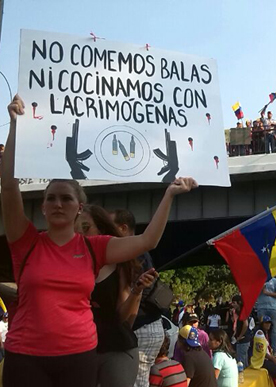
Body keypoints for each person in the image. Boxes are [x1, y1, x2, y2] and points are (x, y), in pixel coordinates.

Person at [0, 95, 197, 387]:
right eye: (50, 198)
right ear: (42, 206)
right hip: (25, 356)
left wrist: (169, 194)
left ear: (79, 207)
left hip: (79, 357)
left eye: (66, 198)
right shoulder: (25, 241)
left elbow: (147, 241)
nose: (57, 203)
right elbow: (8, 186)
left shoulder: (95, 247)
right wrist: (15, 126)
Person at [81, 205, 156, 387]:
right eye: (74, 229)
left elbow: (124, 320)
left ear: (102, 230)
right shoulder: (64, 263)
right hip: (78, 350)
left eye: (85, 228)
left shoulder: (121, 264)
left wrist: (136, 291)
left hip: (116, 347)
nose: (79, 234)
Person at [110, 209, 167, 387]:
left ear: (123, 228)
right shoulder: (141, 253)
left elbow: (126, 296)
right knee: (140, 381)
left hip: (140, 327)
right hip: (153, 326)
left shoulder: (130, 254)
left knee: (133, 381)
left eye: (108, 227)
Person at [250, 316, 276, 387]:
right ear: (262, 324)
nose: (268, 324)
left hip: (266, 359)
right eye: (266, 323)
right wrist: (272, 359)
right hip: (262, 361)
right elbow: (261, 352)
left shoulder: (266, 333)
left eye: (269, 323)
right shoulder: (259, 334)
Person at [256, 277, 276, 357]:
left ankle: (275, 350)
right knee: (261, 329)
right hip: (261, 307)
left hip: (273, 308)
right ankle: (263, 350)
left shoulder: (274, 280)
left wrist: (267, 293)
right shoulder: (259, 280)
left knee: (273, 329)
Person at [230, 295, 252, 368]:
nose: (232, 304)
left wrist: (239, 336)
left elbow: (245, 324)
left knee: (241, 361)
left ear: (239, 303)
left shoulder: (243, 311)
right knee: (244, 359)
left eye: (234, 303)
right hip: (242, 339)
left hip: (243, 339)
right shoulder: (237, 312)